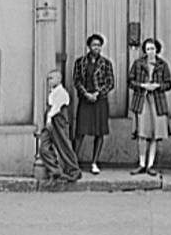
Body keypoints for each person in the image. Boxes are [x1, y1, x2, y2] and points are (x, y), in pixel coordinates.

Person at [128, 38, 171, 176]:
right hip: (142, 100)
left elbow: (169, 84)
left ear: (157, 49)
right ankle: (141, 164)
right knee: (142, 133)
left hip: (157, 101)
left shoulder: (163, 65)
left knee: (155, 134)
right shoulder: (138, 63)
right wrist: (142, 85)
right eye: (148, 49)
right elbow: (130, 81)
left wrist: (158, 86)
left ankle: (150, 165)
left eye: (152, 48)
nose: (150, 51)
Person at [72, 33, 115, 175]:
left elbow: (110, 83)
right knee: (80, 131)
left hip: (100, 101)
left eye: (99, 45)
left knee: (99, 132)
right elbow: (77, 80)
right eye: (94, 45)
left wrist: (98, 93)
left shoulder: (106, 63)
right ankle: (72, 162)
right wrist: (86, 93)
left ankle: (94, 162)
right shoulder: (80, 62)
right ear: (89, 46)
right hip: (85, 100)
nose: (97, 47)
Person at [38, 69, 82, 182]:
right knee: (44, 148)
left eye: (51, 78)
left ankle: (74, 170)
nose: (49, 81)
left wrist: (48, 120)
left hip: (58, 119)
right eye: (48, 79)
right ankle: (55, 171)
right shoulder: (52, 92)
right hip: (51, 120)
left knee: (64, 145)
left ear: (59, 79)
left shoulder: (62, 93)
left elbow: (56, 108)